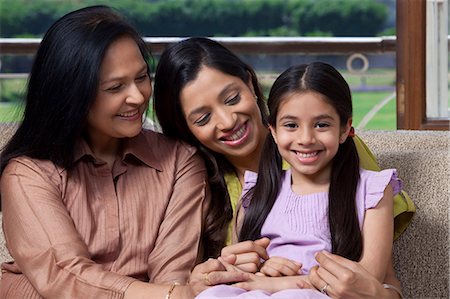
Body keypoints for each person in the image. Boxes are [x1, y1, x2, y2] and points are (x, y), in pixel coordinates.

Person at [0, 6, 244, 299]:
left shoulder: (180, 161)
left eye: (142, 77)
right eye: (115, 87)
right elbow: (64, 274)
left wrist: (170, 292)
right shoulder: (28, 174)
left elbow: (173, 272)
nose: (138, 97)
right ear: (72, 92)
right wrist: (164, 295)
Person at [153, 37, 414, 298]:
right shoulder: (199, 182)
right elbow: (185, 280)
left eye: (232, 98)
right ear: (186, 129)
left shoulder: (331, 156)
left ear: (249, 82)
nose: (227, 121)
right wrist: (208, 277)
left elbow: (380, 282)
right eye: (203, 118)